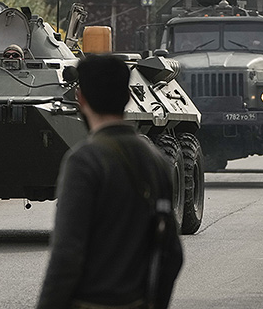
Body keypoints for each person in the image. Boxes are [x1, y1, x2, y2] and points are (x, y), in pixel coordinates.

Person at [37, 54, 183, 309]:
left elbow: (67, 254)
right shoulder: (157, 161)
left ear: (80, 99)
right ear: (128, 96)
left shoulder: (83, 161)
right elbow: (172, 254)